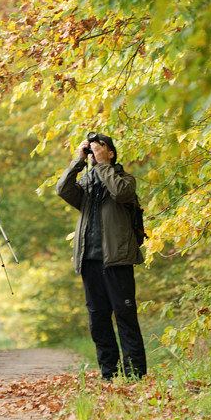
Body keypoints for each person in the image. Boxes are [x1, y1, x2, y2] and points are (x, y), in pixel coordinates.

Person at [56, 133, 147, 380]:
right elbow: (62, 189)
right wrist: (79, 160)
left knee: (125, 317)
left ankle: (135, 374)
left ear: (111, 153)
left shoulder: (125, 180)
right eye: (94, 147)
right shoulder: (87, 184)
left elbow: (119, 192)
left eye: (101, 146)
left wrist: (103, 163)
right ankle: (110, 373)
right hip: (89, 261)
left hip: (117, 260)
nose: (95, 150)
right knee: (98, 320)